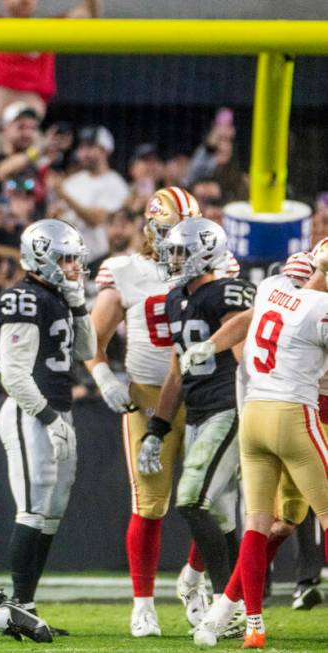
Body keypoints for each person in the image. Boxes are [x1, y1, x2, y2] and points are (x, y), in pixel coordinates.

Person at [85, 188, 231, 636]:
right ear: (151, 229)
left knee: (216, 502)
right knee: (150, 503)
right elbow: (91, 340)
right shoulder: (125, 270)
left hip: (205, 395)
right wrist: (105, 378)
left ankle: (193, 579)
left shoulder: (218, 267)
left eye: (189, 235)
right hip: (150, 396)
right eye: (171, 233)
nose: (179, 244)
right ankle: (143, 603)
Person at [187, 246, 328, 648]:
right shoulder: (318, 307)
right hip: (297, 416)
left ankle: (251, 625)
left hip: (254, 416)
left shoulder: (268, 288)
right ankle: (227, 613)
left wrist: (208, 347)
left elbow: (250, 321)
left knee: (259, 525)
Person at [139, 218, 254, 637]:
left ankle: (229, 605)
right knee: (221, 518)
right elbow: (175, 370)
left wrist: (212, 345)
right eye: (172, 251)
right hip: (198, 412)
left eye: (181, 251)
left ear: (206, 252)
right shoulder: (173, 300)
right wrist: (157, 426)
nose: (173, 258)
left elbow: (245, 323)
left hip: (228, 408)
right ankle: (234, 607)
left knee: (190, 499)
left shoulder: (225, 289)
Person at [0, 219, 96, 632]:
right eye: (67, 258)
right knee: (33, 509)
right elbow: (14, 377)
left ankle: (26, 605)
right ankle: (19, 606)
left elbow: (88, 349)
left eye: (76, 259)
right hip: (30, 413)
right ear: (43, 257)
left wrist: (79, 303)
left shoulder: (58, 298)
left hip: (56, 411)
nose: (74, 267)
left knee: (51, 513)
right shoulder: (21, 299)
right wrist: (49, 417)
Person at [0, 0, 100, 239]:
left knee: (38, 196)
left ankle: (38, 255)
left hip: (31, 137)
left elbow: (88, 15)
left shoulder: (49, 29)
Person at [49, 125, 129, 263]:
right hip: (68, 260)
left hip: (97, 260)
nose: (84, 153)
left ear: (105, 150)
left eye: (90, 147)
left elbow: (97, 220)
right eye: (82, 147)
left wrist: (64, 196)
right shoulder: (73, 181)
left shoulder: (116, 184)